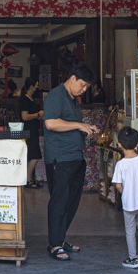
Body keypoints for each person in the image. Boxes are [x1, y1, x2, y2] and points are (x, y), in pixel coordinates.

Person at [42, 64, 100, 261]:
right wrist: (79, 125)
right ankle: (55, 244)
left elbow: (70, 125)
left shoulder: (73, 99)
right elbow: (50, 123)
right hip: (60, 158)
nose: (84, 90)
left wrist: (85, 128)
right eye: (83, 85)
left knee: (71, 202)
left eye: (87, 87)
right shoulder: (55, 96)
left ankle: (60, 238)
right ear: (73, 78)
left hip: (75, 157)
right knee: (59, 201)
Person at [112, 127, 138, 269]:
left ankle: (133, 258)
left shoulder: (120, 165)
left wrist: (126, 192)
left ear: (119, 144)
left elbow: (118, 185)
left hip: (129, 203)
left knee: (130, 230)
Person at [19, 78, 43, 188]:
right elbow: (24, 116)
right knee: (34, 155)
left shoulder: (30, 98)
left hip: (32, 129)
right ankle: (27, 179)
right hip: (27, 130)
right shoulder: (24, 99)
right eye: (36, 85)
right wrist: (38, 114)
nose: (37, 87)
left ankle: (28, 179)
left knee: (33, 155)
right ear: (31, 86)